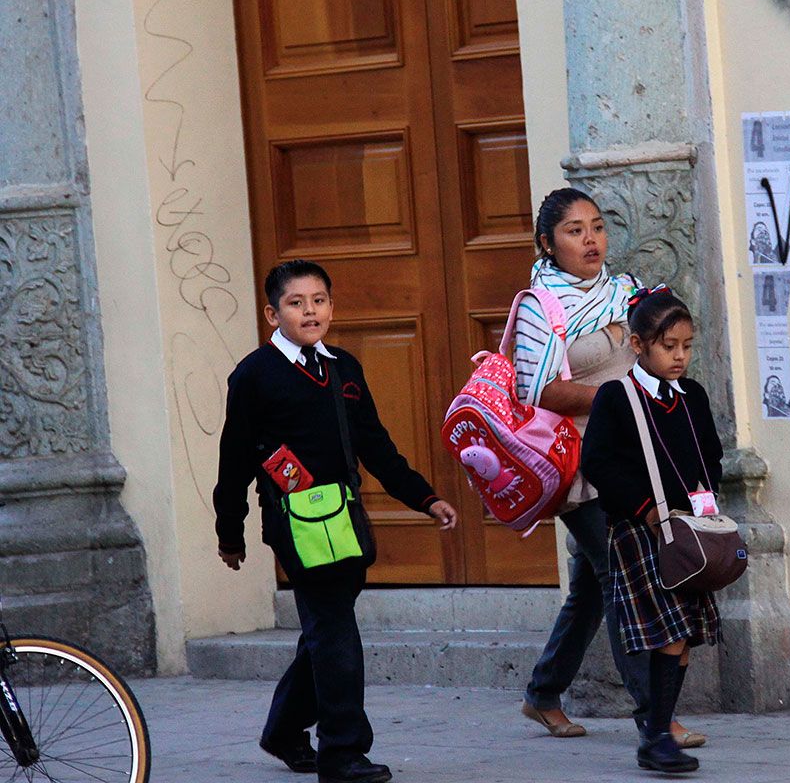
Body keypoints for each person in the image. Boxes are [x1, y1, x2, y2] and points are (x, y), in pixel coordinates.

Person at [212, 259, 458, 783]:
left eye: (319, 300)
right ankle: (342, 752)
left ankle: (284, 731)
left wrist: (424, 497)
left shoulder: (343, 367)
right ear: (272, 314)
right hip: (294, 523)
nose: (310, 311)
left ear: (331, 306)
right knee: (335, 632)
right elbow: (234, 460)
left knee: (327, 631)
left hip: (345, 518)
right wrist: (229, 531)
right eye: (296, 303)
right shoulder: (254, 375)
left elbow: (376, 445)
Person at [514, 188, 705, 749]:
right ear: (548, 243)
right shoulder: (539, 307)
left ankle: (543, 692)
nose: (590, 239)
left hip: (637, 457)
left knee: (593, 587)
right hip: (578, 462)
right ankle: (655, 718)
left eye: (597, 226)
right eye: (574, 231)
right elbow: (538, 392)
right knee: (620, 580)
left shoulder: (626, 291)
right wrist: (617, 399)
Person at [580, 287, 722, 773]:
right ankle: (657, 735)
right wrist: (645, 510)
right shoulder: (617, 397)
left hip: (687, 532)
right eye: (668, 346)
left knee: (683, 635)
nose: (679, 356)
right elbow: (598, 462)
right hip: (640, 530)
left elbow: (710, 455)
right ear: (639, 345)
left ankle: (659, 733)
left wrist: (705, 503)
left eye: (687, 346)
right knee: (670, 631)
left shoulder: (692, 397)